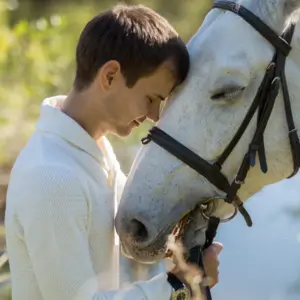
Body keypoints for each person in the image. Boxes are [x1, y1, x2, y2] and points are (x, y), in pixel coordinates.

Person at [5, 4, 223, 300]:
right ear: (110, 76)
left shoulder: (92, 150)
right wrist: (179, 284)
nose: (153, 115)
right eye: (150, 98)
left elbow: (137, 229)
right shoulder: (51, 178)